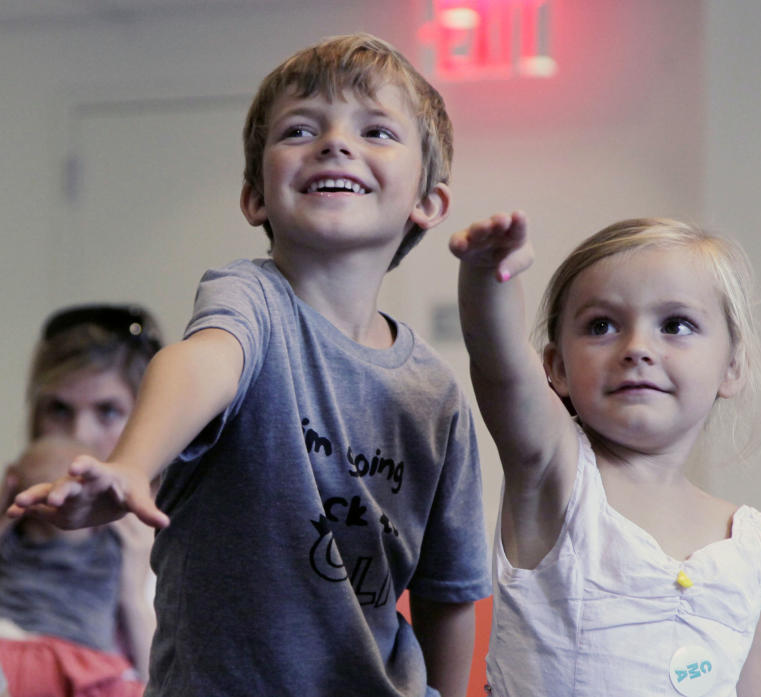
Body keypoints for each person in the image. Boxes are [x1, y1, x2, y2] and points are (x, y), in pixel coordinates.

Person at [10, 33, 490, 696]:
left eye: (376, 130)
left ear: (428, 202)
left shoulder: (435, 394)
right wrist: (131, 462)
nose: (335, 142)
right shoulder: (251, 300)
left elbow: (448, 588)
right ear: (255, 195)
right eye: (301, 129)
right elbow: (201, 360)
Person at [450, 214, 761, 696]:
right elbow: (500, 364)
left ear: (732, 366)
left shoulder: (743, 543)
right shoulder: (555, 474)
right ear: (556, 368)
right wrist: (488, 275)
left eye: (676, 325)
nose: (637, 348)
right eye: (602, 325)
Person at [0, 303, 162, 686]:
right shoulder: (13, 516)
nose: (81, 436)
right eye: (59, 409)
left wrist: (134, 594)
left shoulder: (176, 545)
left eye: (107, 411)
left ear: (146, 419)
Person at [0, 437, 144, 697]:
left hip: (88, 663)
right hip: (15, 644)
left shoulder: (120, 542)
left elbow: (157, 672)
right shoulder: (9, 532)